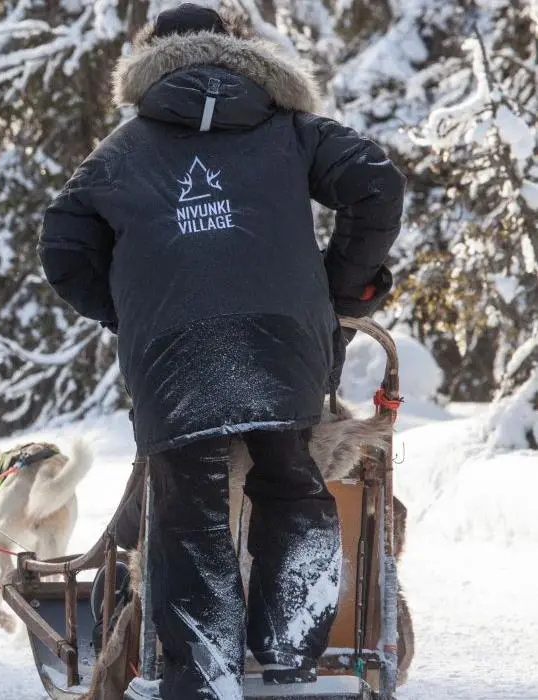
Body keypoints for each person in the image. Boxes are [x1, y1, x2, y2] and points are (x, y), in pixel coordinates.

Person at [39, 4, 404, 699]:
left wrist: (133, 314)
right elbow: (376, 180)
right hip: (284, 344)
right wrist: (340, 288)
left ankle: (205, 678)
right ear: (239, 49)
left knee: (188, 514)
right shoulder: (293, 130)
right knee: (292, 484)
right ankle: (290, 659)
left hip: (175, 356)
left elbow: (63, 246)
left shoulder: (120, 152)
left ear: (147, 58)